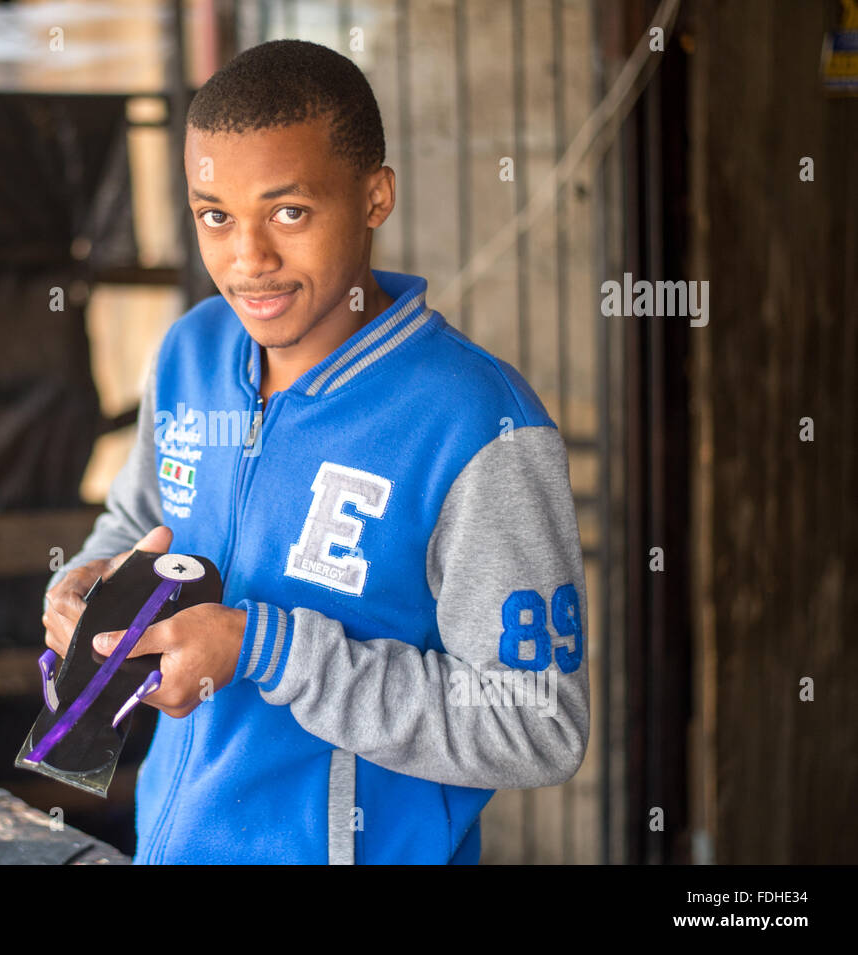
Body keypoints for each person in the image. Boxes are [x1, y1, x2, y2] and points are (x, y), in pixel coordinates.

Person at [43, 39, 589, 864]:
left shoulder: (478, 423)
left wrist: (267, 650)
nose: (247, 258)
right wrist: (86, 578)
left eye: (288, 211)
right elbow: (139, 515)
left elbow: (538, 723)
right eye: (214, 216)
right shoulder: (191, 354)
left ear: (375, 197)